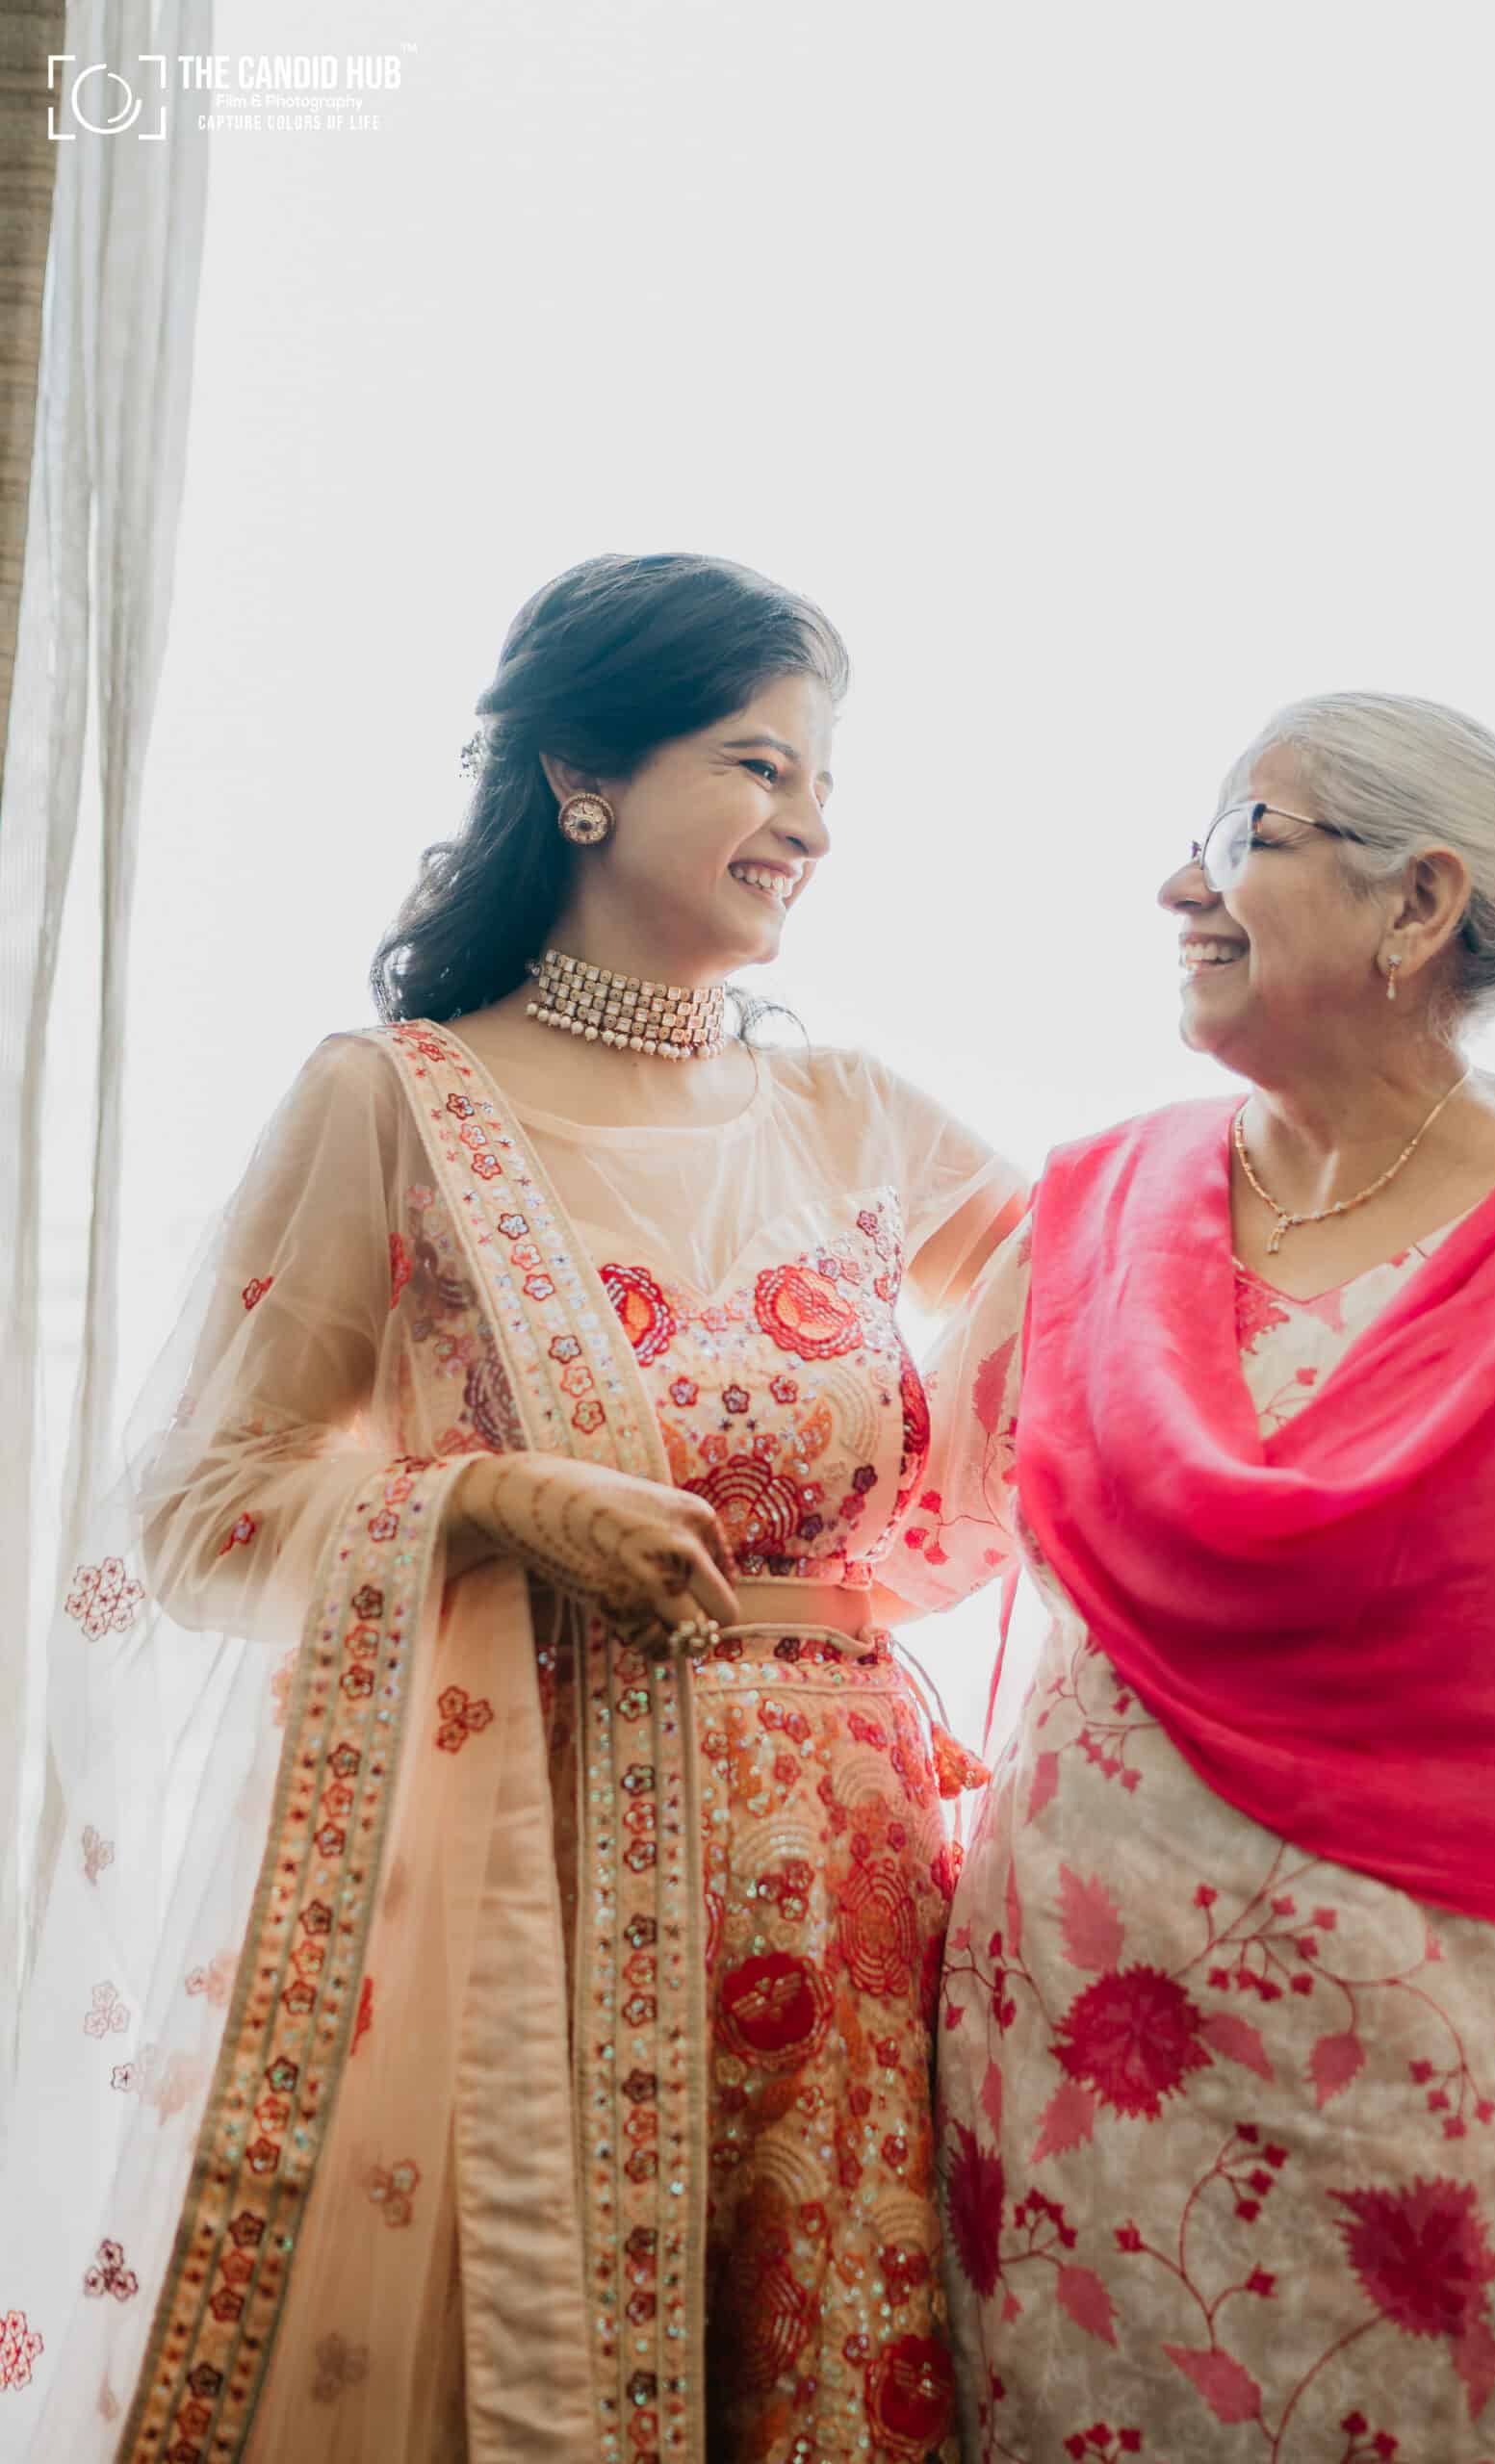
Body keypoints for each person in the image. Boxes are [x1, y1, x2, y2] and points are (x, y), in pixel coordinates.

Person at [0, 552, 1023, 2463]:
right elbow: (204, 1507)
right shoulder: (397, 1102)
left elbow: (1113, 1293)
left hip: (858, 1897)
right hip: (534, 1884)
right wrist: (487, 1496)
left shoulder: (852, 1117)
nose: (809, 825)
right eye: (760, 766)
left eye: (824, 784)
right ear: (584, 779)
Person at [888, 693, 1495, 2463]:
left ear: (1418, 903)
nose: (1178, 888)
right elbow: (896, 1540)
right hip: (1079, 2097)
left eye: (1241, 838)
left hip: (1463, 2098)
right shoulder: (1098, 1205)